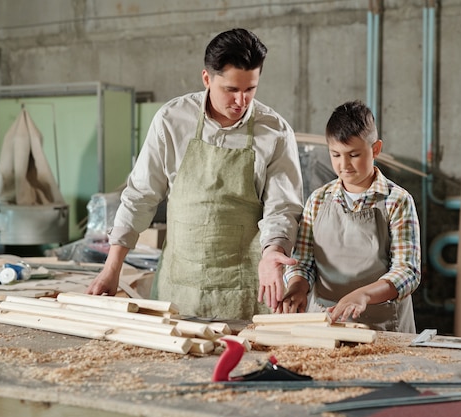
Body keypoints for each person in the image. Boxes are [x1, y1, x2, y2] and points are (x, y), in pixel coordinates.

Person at [86, 28, 304, 320]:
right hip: (178, 291)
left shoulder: (275, 131)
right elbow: (141, 195)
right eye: (231, 89)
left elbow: (282, 208)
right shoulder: (172, 120)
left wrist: (273, 251)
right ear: (206, 79)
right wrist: (111, 270)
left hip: (243, 294)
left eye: (250, 89)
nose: (241, 101)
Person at [280, 100, 421, 333]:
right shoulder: (318, 200)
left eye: (354, 155)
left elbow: (407, 271)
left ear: (375, 149)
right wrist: (296, 288)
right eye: (335, 154)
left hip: (382, 328)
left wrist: (363, 295)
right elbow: (303, 262)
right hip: (325, 325)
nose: (343, 165)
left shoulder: (397, 201)